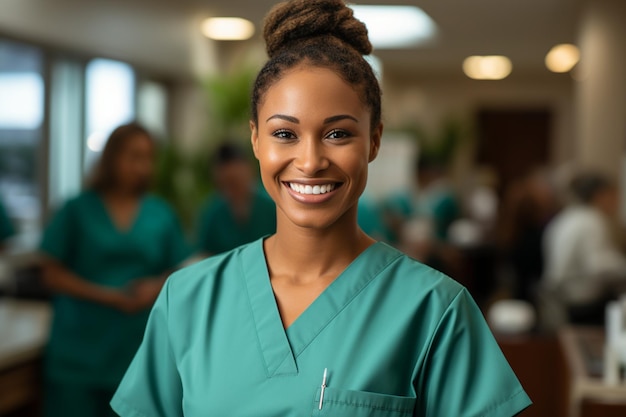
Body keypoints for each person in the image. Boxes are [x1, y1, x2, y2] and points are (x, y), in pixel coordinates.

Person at [111, 2, 531, 416]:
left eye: (337, 133)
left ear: (374, 141)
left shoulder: (433, 309)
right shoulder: (188, 300)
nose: (310, 161)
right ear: (256, 140)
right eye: (285, 133)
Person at [39, 123, 190, 417]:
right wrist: (107, 296)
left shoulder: (160, 213)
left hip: (136, 350)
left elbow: (179, 269)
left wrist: (155, 287)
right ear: (111, 158)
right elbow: (50, 273)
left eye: (148, 158)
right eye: (134, 156)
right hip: (77, 351)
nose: (142, 166)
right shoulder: (77, 209)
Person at [543, 172, 626, 324]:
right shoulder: (592, 220)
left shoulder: (567, 216)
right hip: (582, 303)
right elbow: (599, 265)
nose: (617, 201)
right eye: (614, 195)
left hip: (561, 300)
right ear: (601, 195)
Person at [196, 141, 276, 255]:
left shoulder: (271, 207)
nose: (233, 189)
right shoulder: (213, 214)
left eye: (236, 181)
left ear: (250, 171)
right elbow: (205, 255)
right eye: (227, 183)